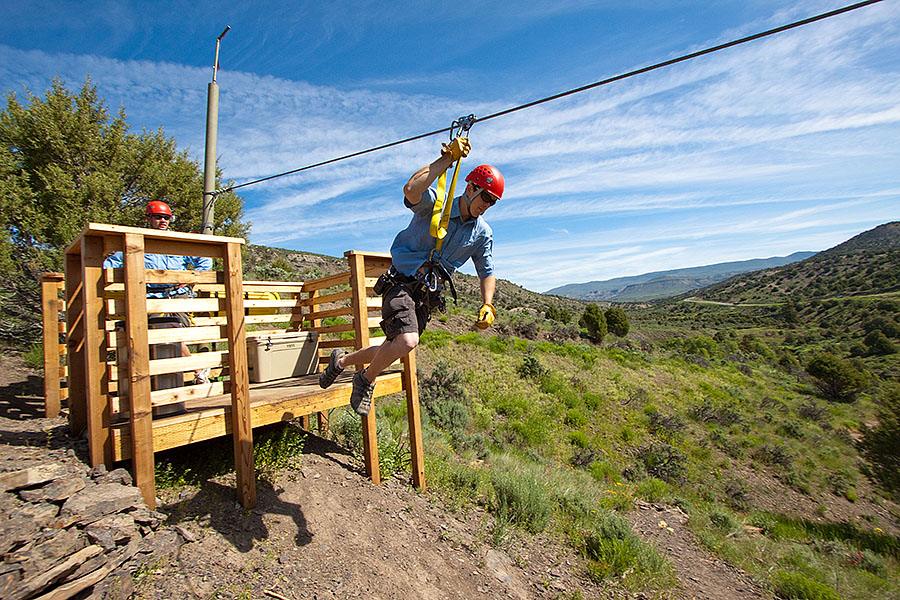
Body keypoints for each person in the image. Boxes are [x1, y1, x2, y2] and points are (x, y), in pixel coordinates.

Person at [319, 138, 502, 416]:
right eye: (485, 197)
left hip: (426, 294)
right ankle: (365, 379)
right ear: (470, 188)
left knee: (393, 346)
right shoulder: (437, 205)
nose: (487, 205)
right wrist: (446, 161)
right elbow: (411, 190)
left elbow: (486, 270)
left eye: (493, 201)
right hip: (402, 281)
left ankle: (341, 362)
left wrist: (488, 303)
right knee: (407, 341)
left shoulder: (482, 233)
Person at [103, 200, 213, 384]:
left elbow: (205, 259)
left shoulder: (178, 241)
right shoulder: (136, 240)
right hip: (149, 297)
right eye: (158, 217)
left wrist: (191, 279)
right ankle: (195, 371)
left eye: (166, 217)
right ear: (148, 218)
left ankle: (188, 374)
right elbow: (111, 263)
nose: (163, 221)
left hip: (177, 295)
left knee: (174, 334)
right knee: (160, 334)